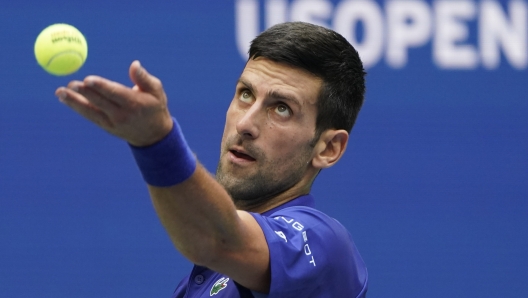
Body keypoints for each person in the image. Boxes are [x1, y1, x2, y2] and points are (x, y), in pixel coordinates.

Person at [55, 22, 368, 297]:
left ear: (328, 148)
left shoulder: (324, 246)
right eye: (246, 93)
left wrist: (156, 142)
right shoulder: (205, 281)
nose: (245, 124)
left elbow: (216, 240)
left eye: (282, 108)